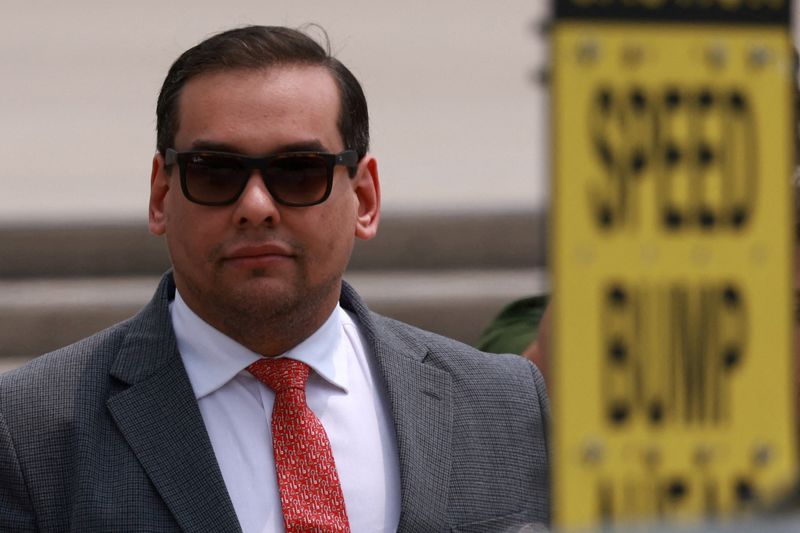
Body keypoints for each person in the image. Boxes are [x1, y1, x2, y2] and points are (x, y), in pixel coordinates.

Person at [0, 26, 549, 532]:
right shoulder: (31, 431)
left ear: (364, 198)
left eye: (298, 171)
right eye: (215, 172)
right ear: (161, 195)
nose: (256, 205)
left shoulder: (502, 405)